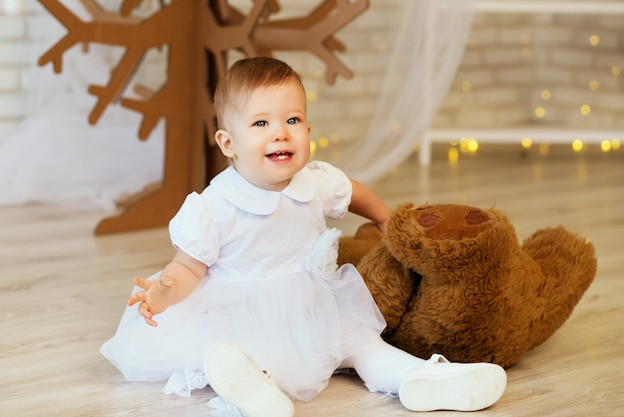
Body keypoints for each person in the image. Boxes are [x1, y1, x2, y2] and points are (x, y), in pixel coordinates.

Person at [101, 57, 506, 417]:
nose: (280, 133)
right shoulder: (215, 204)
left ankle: (417, 378)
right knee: (233, 356)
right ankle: (250, 391)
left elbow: (353, 192)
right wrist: (165, 291)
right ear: (229, 143)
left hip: (312, 303)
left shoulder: (315, 182)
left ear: (308, 129)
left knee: (360, 341)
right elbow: (189, 266)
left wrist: (386, 218)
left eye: (292, 120)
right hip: (239, 312)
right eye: (261, 123)